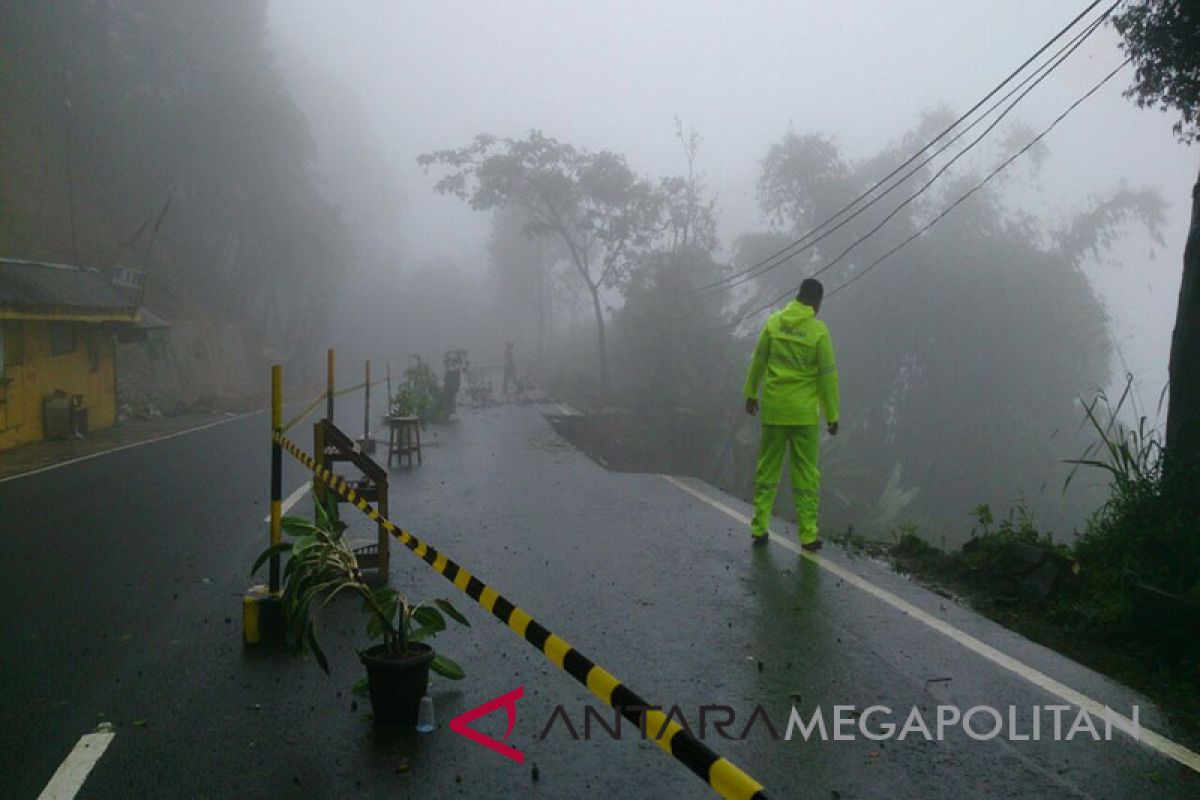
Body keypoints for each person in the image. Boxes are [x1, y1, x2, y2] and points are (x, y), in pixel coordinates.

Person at [743, 278, 839, 550]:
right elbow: (827, 379)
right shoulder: (819, 332)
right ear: (817, 303)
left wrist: (751, 393)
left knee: (767, 469)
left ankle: (759, 527)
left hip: (774, 410)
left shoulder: (774, 323)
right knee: (806, 474)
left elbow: (758, 360)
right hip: (804, 416)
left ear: (798, 296)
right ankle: (808, 535)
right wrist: (832, 416)